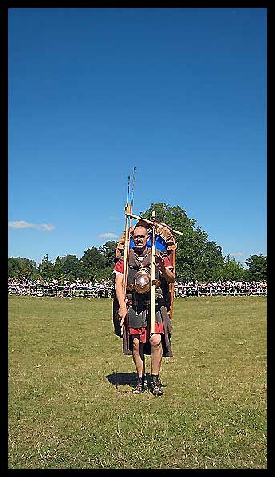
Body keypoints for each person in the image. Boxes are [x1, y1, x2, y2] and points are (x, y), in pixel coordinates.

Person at [113, 222, 175, 396]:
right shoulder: (125, 258)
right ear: (132, 239)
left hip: (154, 305)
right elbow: (119, 284)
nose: (139, 239)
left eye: (142, 236)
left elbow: (171, 278)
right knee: (135, 344)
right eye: (136, 237)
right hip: (135, 305)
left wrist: (162, 267)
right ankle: (140, 380)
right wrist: (122, 306)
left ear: (148, 238)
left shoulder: (158, 254)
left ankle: (154, 380)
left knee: (156, 341)